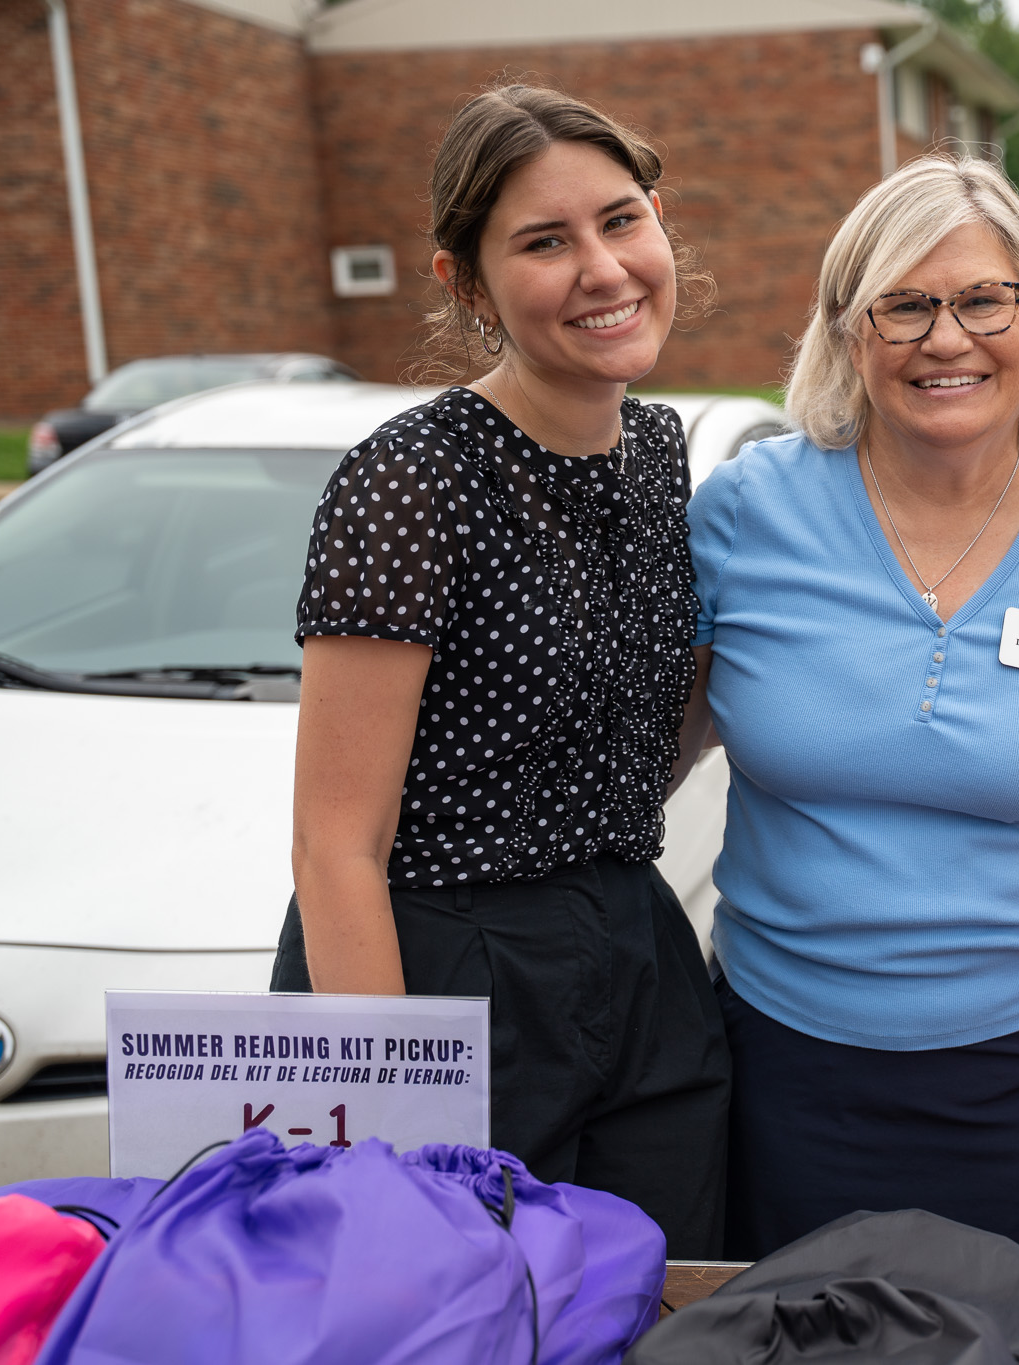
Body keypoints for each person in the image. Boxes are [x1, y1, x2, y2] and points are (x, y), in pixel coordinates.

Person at [679, 155, 1019, 1258]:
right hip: (785, 1064)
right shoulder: (741, 518)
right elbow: (660, 741)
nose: (945, 338)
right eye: (903, 305)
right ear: (847, 333)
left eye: (981, 299)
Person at [274, 84, 729, 1256]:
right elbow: (334, 845)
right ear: (464, 285)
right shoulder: (410, 482)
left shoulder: (658, 453)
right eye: (543, 242)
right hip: (442, 972)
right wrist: (384, 1115)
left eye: (620, 221)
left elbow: (634, 738)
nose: (603, 268)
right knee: (459, 1307)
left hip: (634, 958)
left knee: (650, 1304)